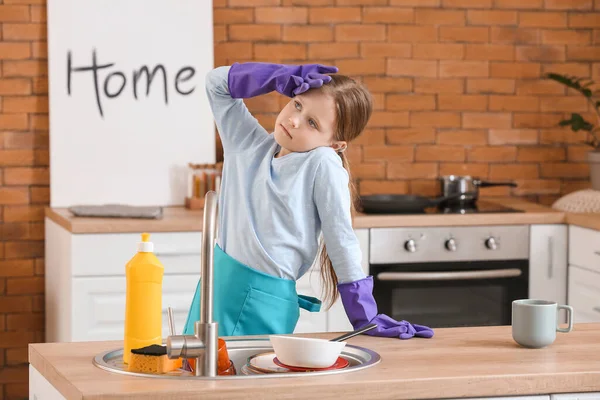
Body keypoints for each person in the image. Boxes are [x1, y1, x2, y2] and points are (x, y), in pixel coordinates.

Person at [183, 62, 433, 340]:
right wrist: (278, 76)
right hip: (215, 289)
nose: (293, 120)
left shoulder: (321, 162)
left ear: (335, 144)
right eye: (297, 105)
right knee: (193, 374)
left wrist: (365, 316)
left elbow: (341, 240)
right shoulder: (247, 145)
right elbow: (215, 83)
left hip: (260, 302)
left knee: (240, 381)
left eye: (312, 123)